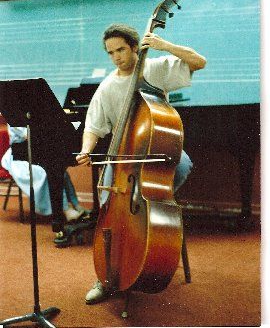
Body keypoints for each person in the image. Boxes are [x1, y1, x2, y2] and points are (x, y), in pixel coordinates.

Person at [76, 23, 206, 304]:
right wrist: (86, 149)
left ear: (135, 47)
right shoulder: (108, 86)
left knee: (181, 165)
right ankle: (106, 277)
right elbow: (94, 127)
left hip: (157, 148)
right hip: (122, 156)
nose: (116, 57)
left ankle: (154, 210)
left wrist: (166, 46)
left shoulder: (155, 68)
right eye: (110, 53)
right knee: (110, 208)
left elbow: (199, 62)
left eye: (121, 49)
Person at [1, 126, 85, 222]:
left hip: (35, 153)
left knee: (61, 171)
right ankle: (65, 209)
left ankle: (75, 204)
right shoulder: (15, 117)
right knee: (47, 173)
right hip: (19, 158)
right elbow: (29, 136)